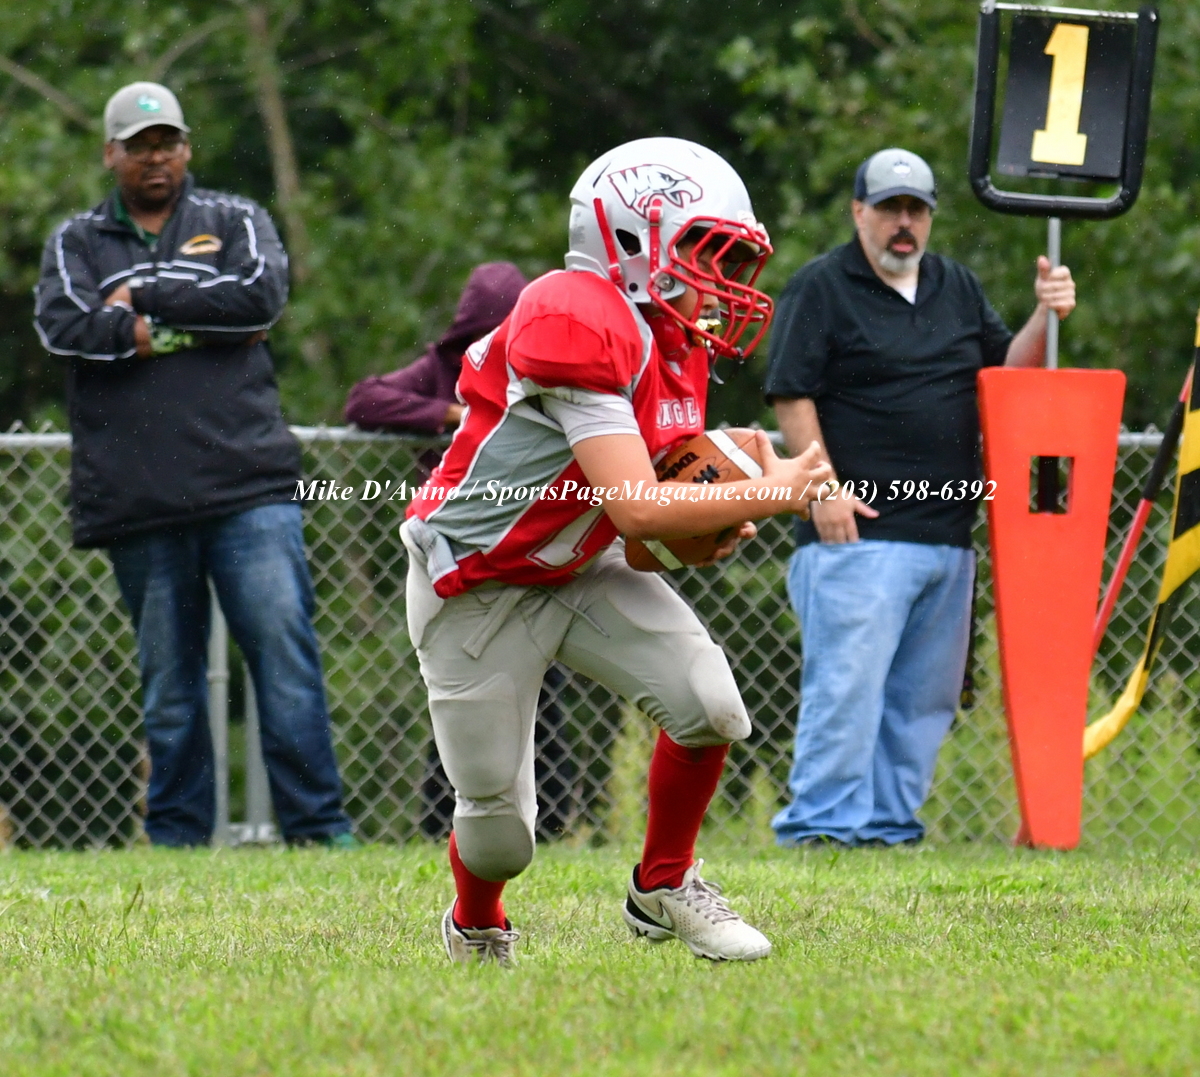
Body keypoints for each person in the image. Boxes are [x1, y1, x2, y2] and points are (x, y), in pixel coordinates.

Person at [401, 136, 832, 966]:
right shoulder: (573, 314)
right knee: (501, 833)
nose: (720, 278)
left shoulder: (675, 343)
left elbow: (639, 540)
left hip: (580, 564)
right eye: (705, 250)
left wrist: (701, 532)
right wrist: (772, 492)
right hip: (476, 580)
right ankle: (476, 920)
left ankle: (662, 885)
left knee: (709, 705)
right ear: (633, 239)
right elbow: (635, 505)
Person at [34, 81, 351, 847]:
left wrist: (145, 295)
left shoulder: (235, 219)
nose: (156, 158)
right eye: (139, 146)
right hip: (138, 497)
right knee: (170, 684)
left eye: (168, 143)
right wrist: (198, 322)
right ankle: (177, 837)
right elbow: (66, 325)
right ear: (110, 154)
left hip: (250, 486)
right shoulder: (76, 242)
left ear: (186, 149)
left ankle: (319, 831)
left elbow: (260, 299)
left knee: (285, 660)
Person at [765, 147, 1077, 848]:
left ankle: (887, 829)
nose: (903, 223)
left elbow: (1007, 373)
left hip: (947, 537)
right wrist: (821, 489)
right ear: (859, 212)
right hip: (857, 535)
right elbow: (791, 391)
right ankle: (820, 829)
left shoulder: (955, 285)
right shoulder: (822, 285)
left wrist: (1044, 312)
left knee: (923, 700)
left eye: (916, 210)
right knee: (847, 692)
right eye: (889, 209)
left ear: (930, 217)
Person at [345, 263, 580, 841]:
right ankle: (441, 826)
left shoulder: (543, 364)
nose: (493, 344)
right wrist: (458, 413)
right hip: (460, 558)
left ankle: (549, 822)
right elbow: (364, 401)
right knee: (463, 700)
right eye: (482, 333)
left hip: (529, 549)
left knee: (540, 693)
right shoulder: (443, 370)